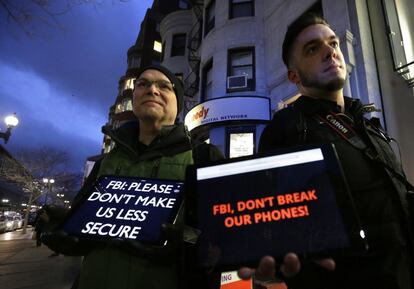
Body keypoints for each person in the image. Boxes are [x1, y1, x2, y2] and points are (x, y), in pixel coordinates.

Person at [238, 13, 413, 289]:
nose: (330, 51)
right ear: (294, 76)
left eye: (333, 43)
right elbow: (272, 227)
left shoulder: (367, 124)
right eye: (312, 49)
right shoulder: (287, 130)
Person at [42, 65, 223, 289]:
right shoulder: (104, 164)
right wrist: (62, 229)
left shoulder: (204, 157)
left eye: (164, 86)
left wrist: (184, 242)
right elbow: (83, 236)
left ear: (179, 105)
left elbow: (222, 237)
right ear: (134, 95)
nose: (152, 90)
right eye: (143, 84)